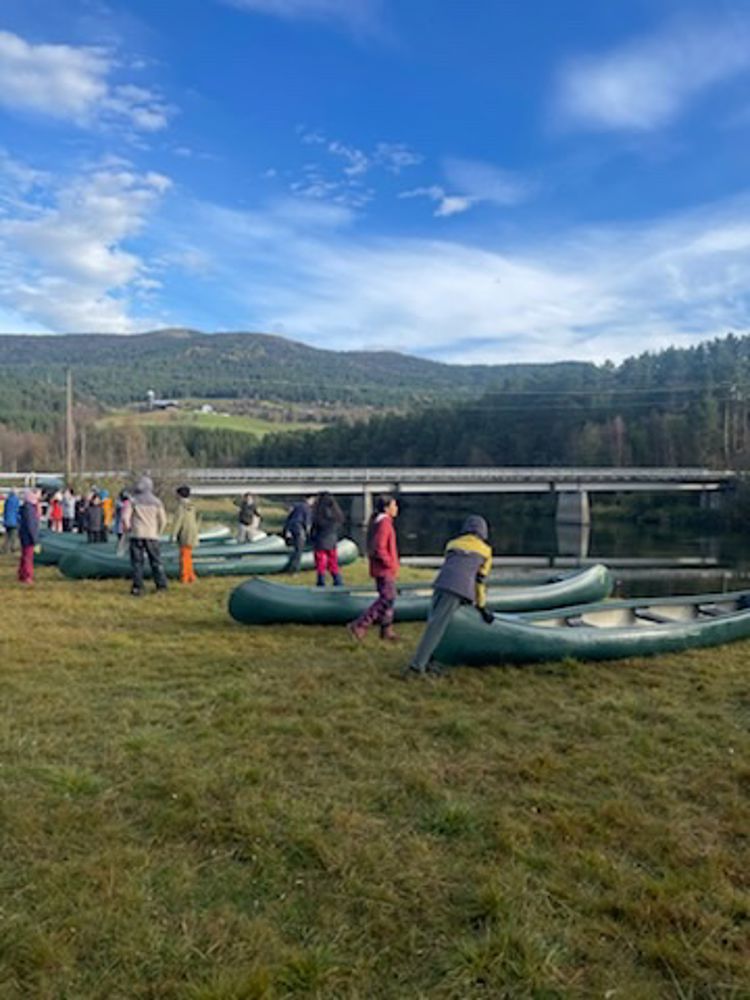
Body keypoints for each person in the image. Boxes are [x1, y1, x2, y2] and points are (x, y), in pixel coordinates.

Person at [405, 515, 493, 677]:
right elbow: (479, 581)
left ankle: (432, 660)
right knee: (436, 629)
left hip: (441, 584)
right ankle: (416, 667)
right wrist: (481, 605)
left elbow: (452, 565)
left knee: (436, 624)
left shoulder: (452, 544)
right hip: (459, 590)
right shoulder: (486, 551)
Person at [347, 494, 400, 642]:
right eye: (394, 505)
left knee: (389, 599)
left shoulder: (380, 521)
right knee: (387, 598)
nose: (396, 508)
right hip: (384, 569)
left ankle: (386, 630)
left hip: (383, 568)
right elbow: (379, 548)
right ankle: (360, 624)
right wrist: (390, 563)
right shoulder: (384, 523)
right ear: (386, 508)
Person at [128, 476, 168, 596]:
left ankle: (138, 588)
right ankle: (161, 586)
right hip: (152, 535)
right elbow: (164, 520)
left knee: (137, 563)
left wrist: (129, 529)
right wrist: (158, 532)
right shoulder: (157, 502)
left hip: (137, 534)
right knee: (156, 562)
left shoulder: (133, 501)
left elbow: (125, 518)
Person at [310, 491, 344, 586]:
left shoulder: (318, 513)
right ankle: (338, 581)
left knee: (321, 563)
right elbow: (338, 526)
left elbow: (314, 529)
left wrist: (312, 539)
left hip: (320, 541)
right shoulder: (336, 514)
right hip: (332, 541)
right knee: (333, 563)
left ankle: (321, 582)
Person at [171, 484, 199, 584]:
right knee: (188, 556)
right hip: (192, 533)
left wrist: (173, 535)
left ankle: (185, 577)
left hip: (184, 534)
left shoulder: (180, 507)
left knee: (184, 556)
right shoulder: (192, 506)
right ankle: (191, 575)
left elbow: (178, 521)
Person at [283, 495, 314, 574]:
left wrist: (287, 530)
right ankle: (294, 570)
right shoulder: (307, 508)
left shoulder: (297, 505)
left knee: (293, 549)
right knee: (299, 551)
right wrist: (310, 535)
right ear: (310, 500)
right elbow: (307, 524)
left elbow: (289, 517)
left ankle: (290, 566)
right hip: (299, 530)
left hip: (291, 529)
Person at [17, 488, 40, 584]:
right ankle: (27, 576)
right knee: (28, 557)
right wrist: (34, 539)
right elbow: (31, 524)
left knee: (25, 556)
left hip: (25, 534)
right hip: (28, 536)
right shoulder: (29, 509)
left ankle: (22, 574)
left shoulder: (27, 507)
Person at [3, 487, 20, 553]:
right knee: (13, 535)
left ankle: (5, 548)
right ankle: (13, 548)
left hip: (7, 520)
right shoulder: (16, 500)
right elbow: (17, 511)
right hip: (14, 521)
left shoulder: (7, 500)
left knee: (7, 536)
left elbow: (5, 510)